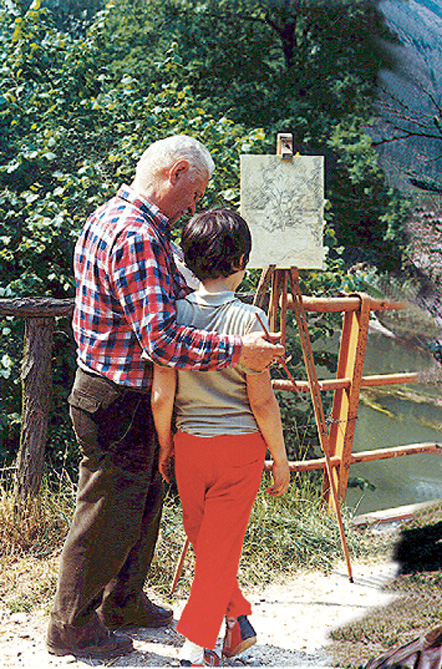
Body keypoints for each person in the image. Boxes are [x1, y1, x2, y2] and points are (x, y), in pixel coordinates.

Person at [47, 135, 285, 660]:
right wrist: (237, 350)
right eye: (194, 195)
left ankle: (124, 602)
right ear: (176, 173)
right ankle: (72, 626)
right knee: (108, 510)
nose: (194, 208)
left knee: (141, 502)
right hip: (118, 394)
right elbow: (160, 338)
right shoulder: (136, 235)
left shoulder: (111, 216)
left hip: (118, 389)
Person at [150, 208, 290, 667]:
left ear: (189, 261)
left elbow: (161, 393)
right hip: (240, 448)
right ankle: (201, 645)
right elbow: (263, 401)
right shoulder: (251, 319)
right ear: (243, 260)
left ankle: (231, 625)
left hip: (189, 442)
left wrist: (166, 445)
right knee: (218, 547)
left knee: (208, 542)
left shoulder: (172, 315)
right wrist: (281, 458)